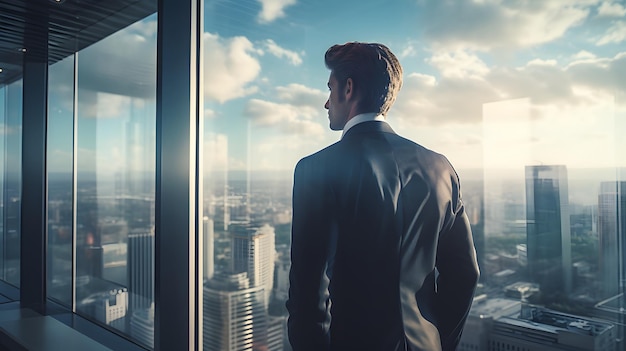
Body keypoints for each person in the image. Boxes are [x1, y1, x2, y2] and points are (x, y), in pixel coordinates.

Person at [286, 42, 480, 351]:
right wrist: (438, 343)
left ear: (348, 89)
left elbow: (309, 294)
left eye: (330, 88)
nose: (326, 103)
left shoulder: (317, 169)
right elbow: (464, 273)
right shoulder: (441, 168)